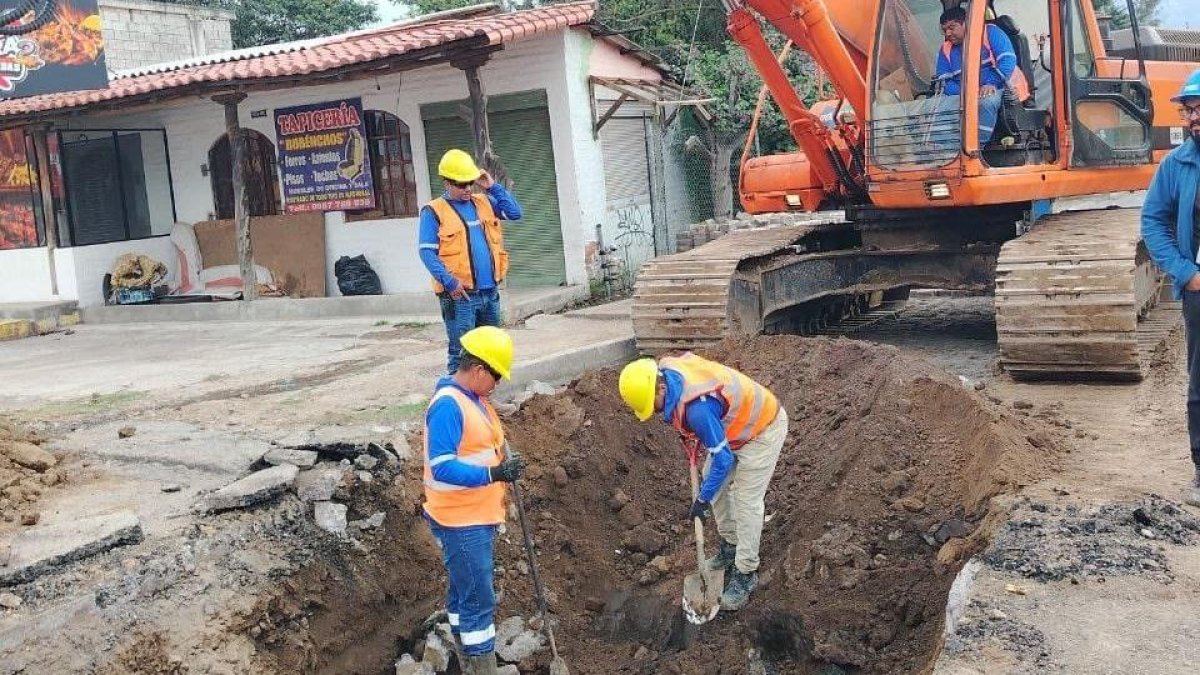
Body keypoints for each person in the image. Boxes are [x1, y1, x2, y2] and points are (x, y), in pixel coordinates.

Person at [617, 353, 788, 610]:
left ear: (661, 386)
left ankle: (746, 573)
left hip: (762, 428)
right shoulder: (667, 370)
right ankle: (730, 547)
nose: (654, 411)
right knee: (713, 483)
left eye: (654, 404)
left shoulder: (698, 410)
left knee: (746, 501)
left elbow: (723, 460)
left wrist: (702, 500)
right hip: (732, 430)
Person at [422, 326, 526, 675]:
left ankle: (460, 650)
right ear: (479, 370)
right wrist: (494, 474)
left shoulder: (473, 399)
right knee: (479, 599)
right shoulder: (449, 406)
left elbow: (482, 446)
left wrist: (501, 466)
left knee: (464, 587)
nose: (498, 383)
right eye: (496, 376)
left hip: (476, 513)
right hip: (460, 519)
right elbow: (442, 466)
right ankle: (482, 665)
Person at [1141, 69, 1200, 507]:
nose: (1190, 116)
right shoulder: (1176, 164)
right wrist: (1184, 271)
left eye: (1197, 107)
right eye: (1188, 109)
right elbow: (1153, 221)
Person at [419, 149, 523, 374]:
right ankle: (457, 402)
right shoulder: (433, 211)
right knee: (462, 352)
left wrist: (492, 186)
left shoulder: (484, 201)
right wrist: (450, 283)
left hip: (489, 292)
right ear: (446, 183)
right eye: (460, 184)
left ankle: (485, 403)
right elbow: (427, 253)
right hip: (461, 296)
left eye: (470, 183)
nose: (467, 189)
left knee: (489, 351)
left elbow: (515, 213)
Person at [934, 6, 1028, 145]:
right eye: (944, 30)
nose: (947, 33)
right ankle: (943, 150)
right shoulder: (946, 49)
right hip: (965, 94)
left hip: (1002, 86)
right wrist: (966, 94)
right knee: (937, 106)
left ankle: (974, 150)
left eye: (951, 27)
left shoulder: (990, 33)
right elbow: (944, 81)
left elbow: (1007, 60)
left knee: (986, 103)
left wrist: (991, 83)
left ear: (965, 22)